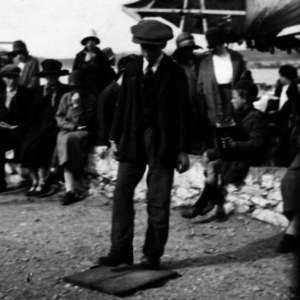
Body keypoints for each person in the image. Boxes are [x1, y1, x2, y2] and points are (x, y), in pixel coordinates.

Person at [98, 20, 191, 270]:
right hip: (132, 139)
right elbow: (122, 106)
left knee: (158, 199)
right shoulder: (131, 69)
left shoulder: (176, 72)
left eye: (151, 47)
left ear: (162, 45)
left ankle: (153, 253)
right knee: (121, 194)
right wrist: (113, 138)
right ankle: (120, 250)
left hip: (163, 143)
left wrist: (183, 149)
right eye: (143, 47)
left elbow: (184, 112)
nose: (146, 52)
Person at [181, 81, 266, 220]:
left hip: (245, 156)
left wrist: (234, 143)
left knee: (213, 166)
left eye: (234, 97)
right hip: (235, 151)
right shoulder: (240, 114)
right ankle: (212, 199)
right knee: (206, 154)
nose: (232, 101)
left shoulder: (256, 116)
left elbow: (257, 143)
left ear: (244, 99)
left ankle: (200, 205)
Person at [20, 59, 70, 196]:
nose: (50, 78)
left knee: (38, 146)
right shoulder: (39, 91)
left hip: (57, 127)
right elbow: (33, 112)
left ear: (58, 76)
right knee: (25, 145)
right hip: (40, 126)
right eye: (48, 76)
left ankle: (43, 181)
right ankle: (35, 180)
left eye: (53, 75)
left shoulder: (66, 90)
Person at [198, 27, 252, 152]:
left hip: (233, 99)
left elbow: (245, 81)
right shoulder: (205, 62)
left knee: (235, 134)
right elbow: (200, 89)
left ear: (224, 42)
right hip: (213, 103)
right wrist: (203, 112)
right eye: (214, 45)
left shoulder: (236, 58)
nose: (217, 47)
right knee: (217, 140)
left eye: (219, 43)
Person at [56, 70, 96, 205]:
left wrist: (77, 106)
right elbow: (59, 117)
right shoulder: (65, 97)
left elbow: (83, 122)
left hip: (84, 132)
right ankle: (69, 190)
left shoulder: (90, 100)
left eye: (79, 87)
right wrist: (71, 127)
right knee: (62, 138)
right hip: (69, 130)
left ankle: (68, 188)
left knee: (66, 140)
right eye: (73, 87)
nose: (76, 90)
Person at [0, 65, 34, 192]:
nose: (12, 80)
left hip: (21, 131)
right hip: (3, 130)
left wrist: (17, 126)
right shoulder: (1, 94)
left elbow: (31, 117)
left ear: (18, 77)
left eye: (14, 77)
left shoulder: (28, 94)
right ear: (3, 78)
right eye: (8, 78)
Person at [95, 54, 138, 151]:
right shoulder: (106, 95)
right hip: (116, 141)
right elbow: (102, 122)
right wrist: (103, 142)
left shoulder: (130, 90)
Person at [173, 32, 203, 153]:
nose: (189, 53)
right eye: (185, 50)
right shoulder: (176, 70)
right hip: (184, 116)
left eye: (191, 49)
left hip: (202, 114)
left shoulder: (202, 65)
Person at [266, 65, 300, 167]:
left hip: (287, 121)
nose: (280, 79)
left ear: (285, 77)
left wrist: (277, 113)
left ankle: (286, 163)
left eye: (281, 76)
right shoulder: (283, 87)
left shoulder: (292, 90)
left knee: (285, 143)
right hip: (282, 119)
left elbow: (290, 107)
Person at [73, 29, 115, 97]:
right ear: (85, 42)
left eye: (92, 39)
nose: (90, 42)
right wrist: (85, 62)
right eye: (88, 40)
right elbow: (75, 74)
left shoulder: (102, 56)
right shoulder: (79, 56)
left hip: (101, 91)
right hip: (84, 93)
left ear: (95, 42)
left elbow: (108, 74)